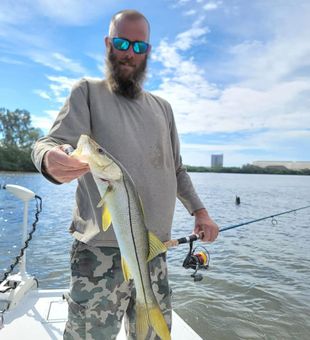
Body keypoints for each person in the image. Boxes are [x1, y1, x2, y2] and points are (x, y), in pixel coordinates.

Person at [32, 9, 219, 340]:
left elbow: (176, 168)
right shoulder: (87, 92)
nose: (129, 53)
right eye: (121, 43)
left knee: (155, 336)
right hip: (99, 254)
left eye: (138, 46)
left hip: (154, 251)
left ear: (148, 51)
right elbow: (51, 143)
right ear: (107, 44)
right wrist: (49, 159)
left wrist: (200, 211)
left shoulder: (164, 108)